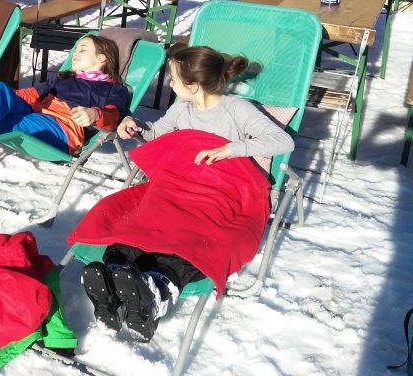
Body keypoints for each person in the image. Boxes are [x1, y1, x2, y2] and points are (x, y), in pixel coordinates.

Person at [70, 45, 294, 341]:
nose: (170, 84)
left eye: (174, 79)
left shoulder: (238, 109)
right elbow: (155, 134)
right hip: (176, 183)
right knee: (142, 218)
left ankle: (157, 288)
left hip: (220, 191)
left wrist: (231, 149)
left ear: (193, 85)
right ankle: (115, 277)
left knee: (191, 233)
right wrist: (134, 127)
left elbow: (282, 141)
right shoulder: (181, 108)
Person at [0, 35, 130, 164]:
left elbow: (114, 116)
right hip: (35, 112)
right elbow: (29, 95)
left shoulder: (113, 88)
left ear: (102, 58)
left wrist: (95, 114)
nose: (75, 54)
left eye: (82, 50)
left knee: (3, 120)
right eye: (75, 50)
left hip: (62, 129)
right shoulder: (64, 78)